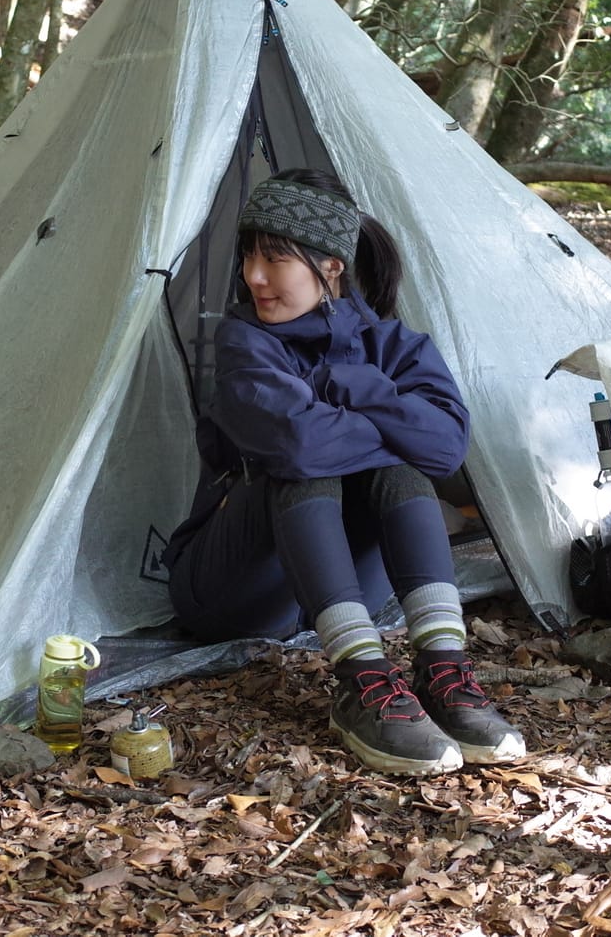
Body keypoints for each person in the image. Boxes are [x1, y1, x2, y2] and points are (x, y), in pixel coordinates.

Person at [163, 169, 526, 776]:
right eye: (250, 255)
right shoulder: (244, 341)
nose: (254, 276)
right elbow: (302, 449)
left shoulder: (396, 346)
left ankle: (442, 670)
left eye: (276, 259)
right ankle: (361, 679)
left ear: (331, 267)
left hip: (343, 590)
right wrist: (394, 423)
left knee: (405, 473)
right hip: (228, 591)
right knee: (306, 470)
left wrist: (351, 384)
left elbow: (446, 452)